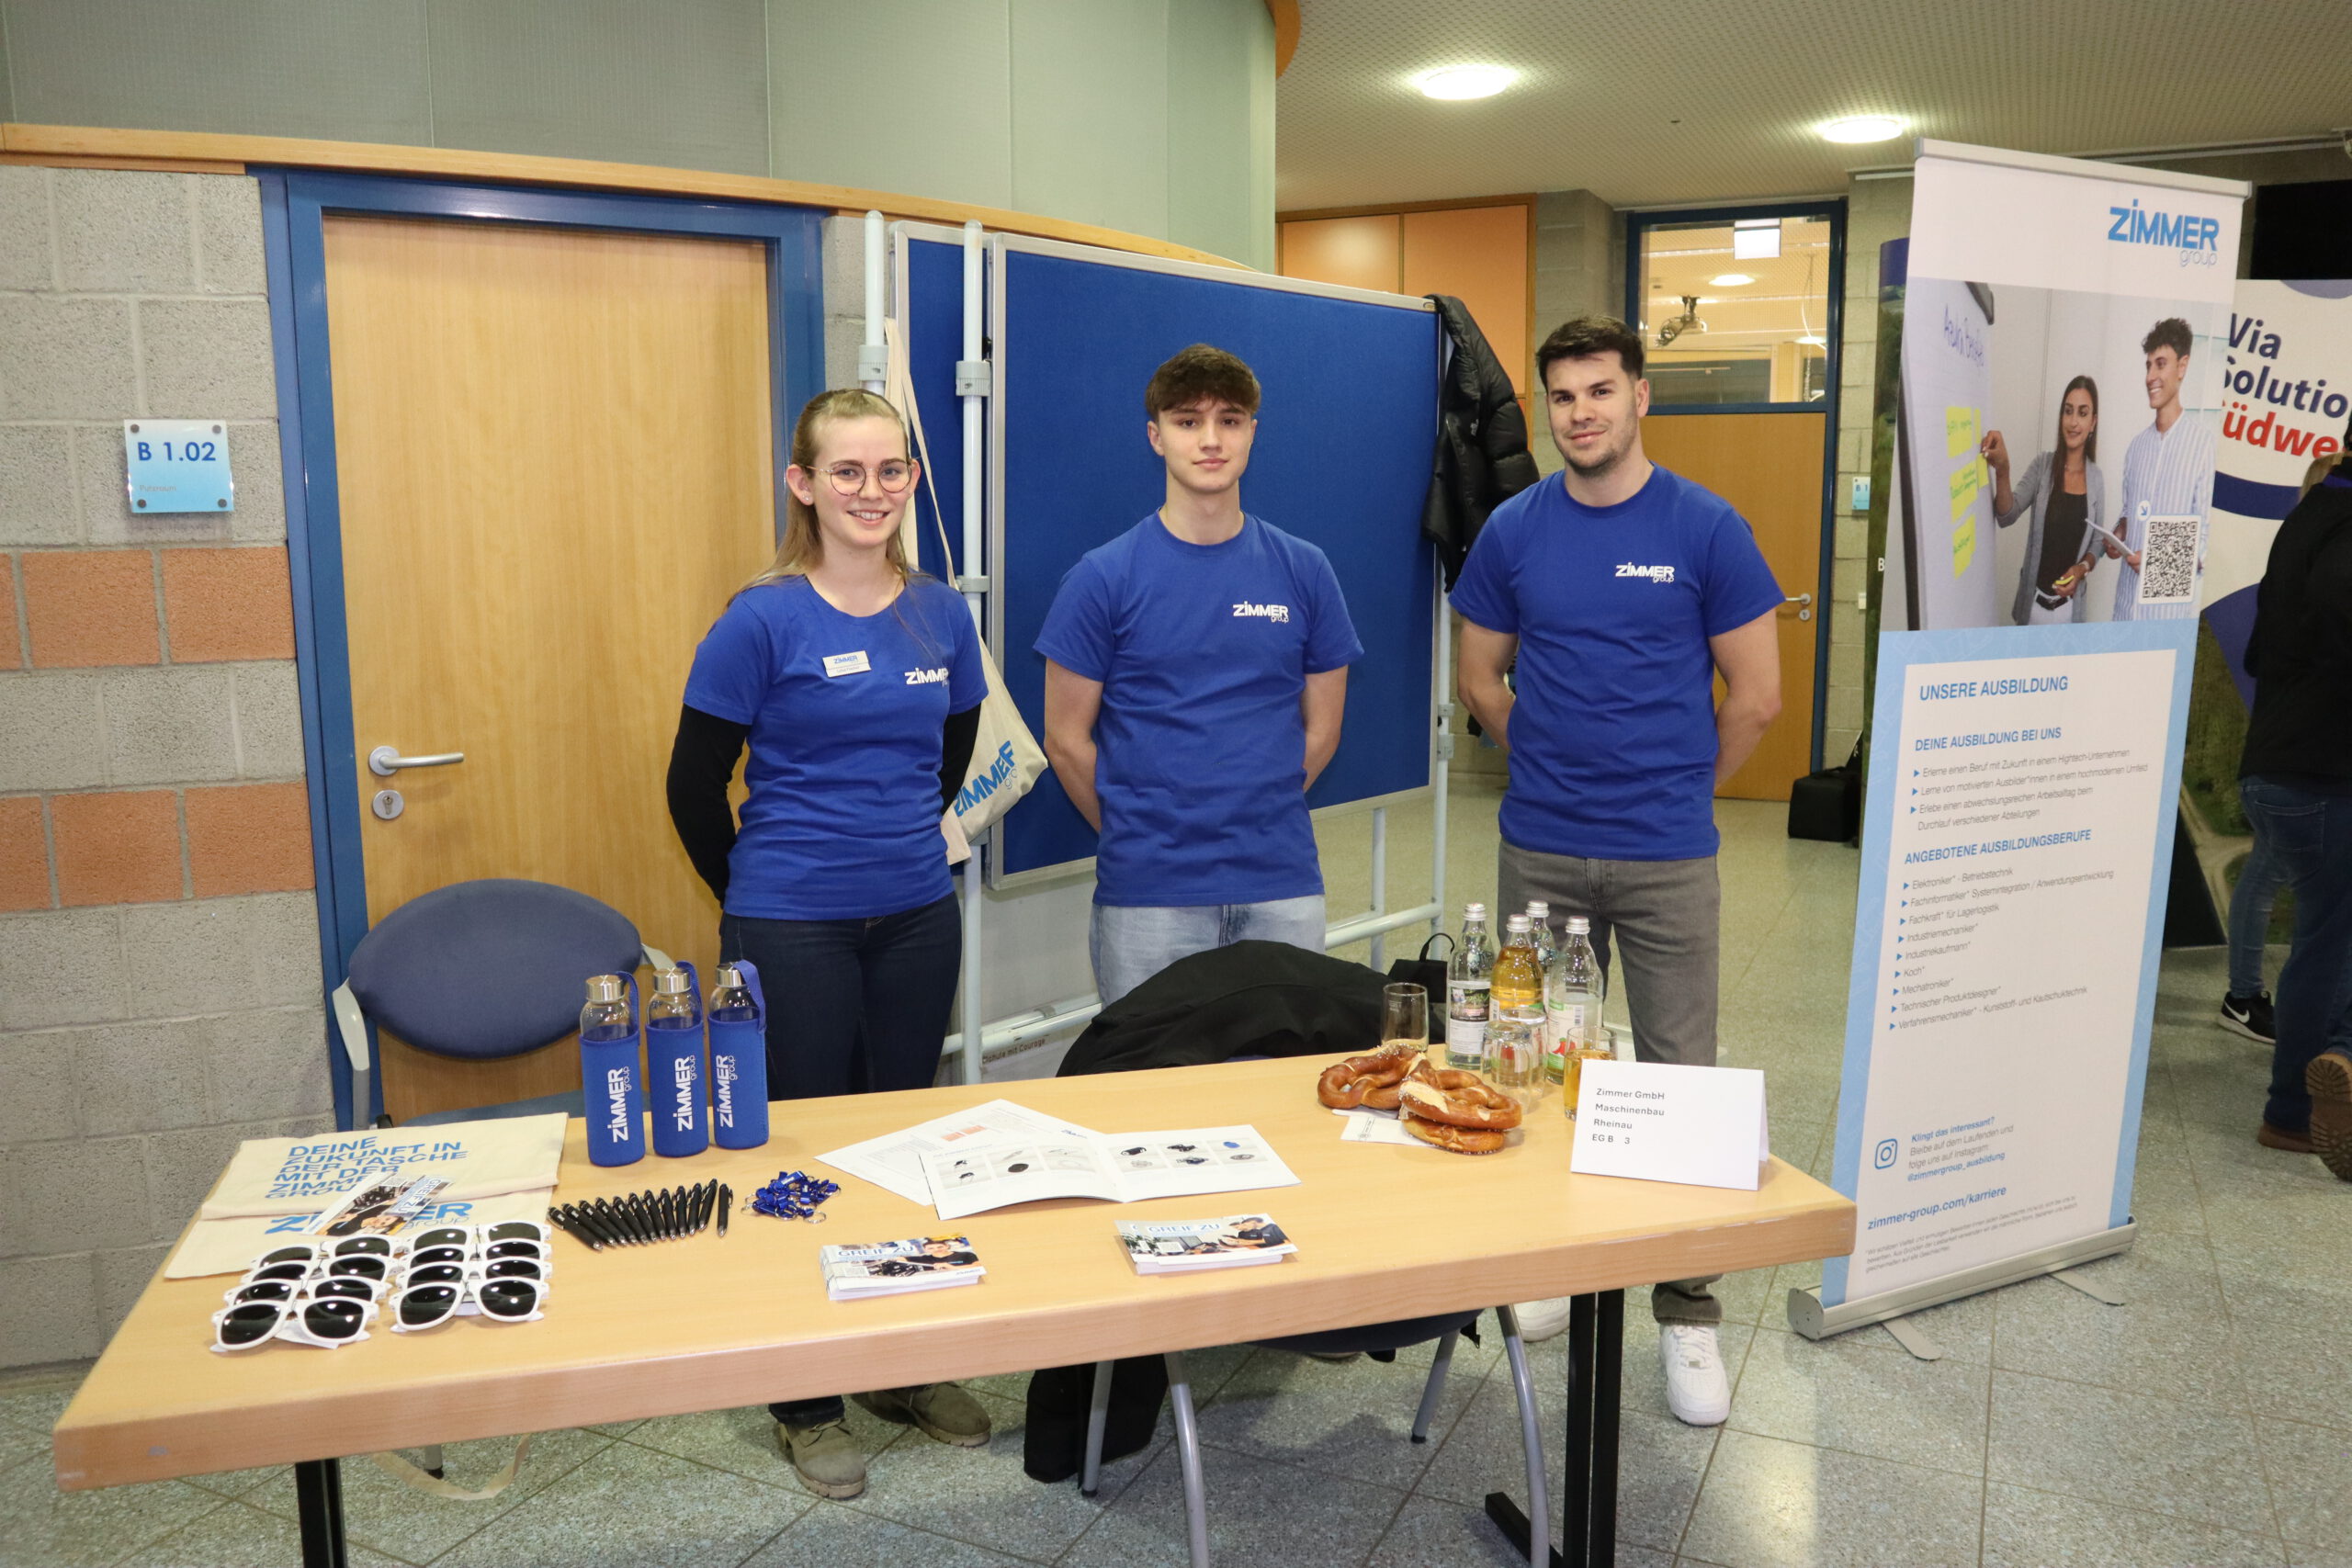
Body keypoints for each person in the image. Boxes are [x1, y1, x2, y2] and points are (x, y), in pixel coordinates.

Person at [1453, 315, 1783, 1427]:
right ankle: (1554, 1263)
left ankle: (1687, 1313)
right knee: (1542, 1066)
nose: (1579, 413)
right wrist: (1542, 757)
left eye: (1599, 390)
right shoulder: (1513, 529)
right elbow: (1479, 675)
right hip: (1540, 848)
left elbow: (1757, 698)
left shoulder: (1706, 527)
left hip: (1666, 858)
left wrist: (1681, 789)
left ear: (1640, 396)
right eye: (1561, 396)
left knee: (1683, 1076)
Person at [667, 387, 993, 1498]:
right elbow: (691, 784)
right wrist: (757, 896)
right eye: (846, 471)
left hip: (914, 920)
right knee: (797, 1162)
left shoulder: (941, 615)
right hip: (789, 925)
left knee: (899, 1147)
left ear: (911, 479)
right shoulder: (759, 621)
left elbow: (948, 756)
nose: (871, 490)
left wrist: (889, 848)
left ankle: (901, 1366)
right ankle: (805, 1399)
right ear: (802, 483)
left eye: (890, 469)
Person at [1036, 344, 1363, 1004]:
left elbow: (1324, 730)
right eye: (1188, 421)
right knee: (1153, 1068)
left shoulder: (1305, 570)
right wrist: (1142, 831)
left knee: (1284, 1066)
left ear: (1252, 433)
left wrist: (1253, 808)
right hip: (1148, 899)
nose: (1210, 440)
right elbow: (1066, 741)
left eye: (1229, 420)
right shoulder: (1102, 578)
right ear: (1156, 437)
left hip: (1281, 886)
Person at [2238, 442, 2352, 1180]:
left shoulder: (2306, 519)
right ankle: (2295, 1108)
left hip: (2275, 765)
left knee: (2327, 936)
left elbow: (2260, 652)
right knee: (2328, 944)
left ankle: (2326, 1076)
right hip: (2324, 772)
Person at [2106, 319, 2216, 621]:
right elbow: (2129, 512)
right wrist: (2119, 533)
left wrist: (2158, 562)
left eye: (2161, 364)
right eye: (2148, 366)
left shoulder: (2203, 445)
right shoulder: (2136, 447)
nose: (2150, 376)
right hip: (2124, 610)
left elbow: (2206, 539)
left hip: (2165, 617)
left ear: (2182, 366)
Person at [1984, 376, 2105, 626]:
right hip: (2033, 609)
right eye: (2068, 411)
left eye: (2082, 413)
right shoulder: (2043, 466)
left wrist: (2082, 568)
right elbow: (2006, 516)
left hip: (2070, 613)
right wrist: (2003, 470)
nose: (2073, 422)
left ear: (2093, 422)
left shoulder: (2096, 478)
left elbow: (2098, 542)